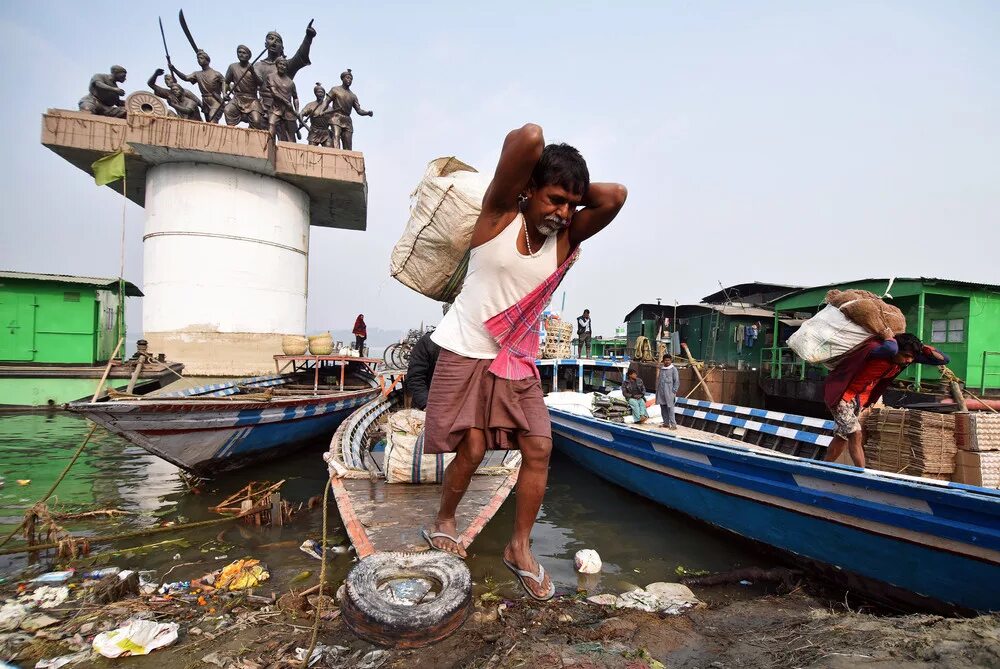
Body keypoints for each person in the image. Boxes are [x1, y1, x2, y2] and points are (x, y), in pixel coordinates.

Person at [423, 123, 627, 601]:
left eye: (571, 205)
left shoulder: (566, 239)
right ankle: (444, 518)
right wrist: (534, 176)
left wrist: (571, 187)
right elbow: (528, 138)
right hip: (465, 348)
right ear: (528, 189)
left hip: (515, 358)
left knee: (539, 447)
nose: (562, 212)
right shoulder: (497, 215)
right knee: (472, 451)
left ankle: (519, 548)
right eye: (553, 198)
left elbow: (615, 196)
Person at [824, 333, 949, 467]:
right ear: (897, 350)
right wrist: (889, 336)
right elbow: (889, 348)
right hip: (842, 396)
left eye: (912, 357)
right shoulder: (877, 351)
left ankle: (823, 466)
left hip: (859, 400)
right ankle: (862, 474)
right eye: (906, 355)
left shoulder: (901, 359)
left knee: (842, 436)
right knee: (856, 434)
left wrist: (921, 347)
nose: (908, 360)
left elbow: (943, 359)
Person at [171, 50, 225, 122]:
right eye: (198, 59)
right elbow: (185, 78)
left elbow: (224, 82)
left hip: (215, 99)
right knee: (208, 121)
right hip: (205, 100)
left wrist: (224, 94)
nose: (199, 60)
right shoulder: (197, 74)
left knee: (212, 117)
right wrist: (174, 69)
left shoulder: (216, 74)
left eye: (201, 58)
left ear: (207, 60)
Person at [327, 69, 373, 150]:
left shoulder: (353, 96)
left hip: (347, 120)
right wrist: (322, 110)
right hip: (336, 117)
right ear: (342, 78)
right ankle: (335, 155)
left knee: (348, 144)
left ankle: (346, 160)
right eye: (347, 78)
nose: (349, 80)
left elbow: (359, 110)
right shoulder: (335, 89)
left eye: (351, 79)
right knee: (336, 137)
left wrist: (367, 113)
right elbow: (326, 102)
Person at [224, 45, 264, 128]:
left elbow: (260, 83)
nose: (241, 54)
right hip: (237, 98)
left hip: (252, 100)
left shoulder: (254, 68)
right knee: (227, 110)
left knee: (256, 120)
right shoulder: (232, 67)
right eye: (239, 52)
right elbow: (226, 82)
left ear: (248, 56)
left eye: (244, 53)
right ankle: (231, 134)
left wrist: (252, 71)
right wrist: (224, 93)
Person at [266, 58, 300, 142]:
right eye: (280, 64)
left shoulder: (291, 82)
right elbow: (274, 92)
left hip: (289, 111)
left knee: (290, 133)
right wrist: (286, 101)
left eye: (284, 65)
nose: (282, 66)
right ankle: (269, 144)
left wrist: (297, 110)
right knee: (272, 123)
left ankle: (292, 149)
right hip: (276, 107)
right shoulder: (271, 77)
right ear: (277, 65)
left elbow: (295, 98)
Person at [405, 331, 441, 410]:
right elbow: (415, 377)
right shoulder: (429, 341)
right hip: (431, 405)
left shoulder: (471, 342)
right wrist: (425, 404)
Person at [656, 354, 680, 429]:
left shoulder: (673, 369)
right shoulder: (662, 369)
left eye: (668, 360)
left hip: (669, 392)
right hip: (661, 391)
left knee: (670, 408)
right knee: (663, 407)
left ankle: (673, 425)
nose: (667, 362)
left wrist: (674, 391)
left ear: (671, 361)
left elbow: (676, 381)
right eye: (666, 360)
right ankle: (666, 423)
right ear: (663, 361)